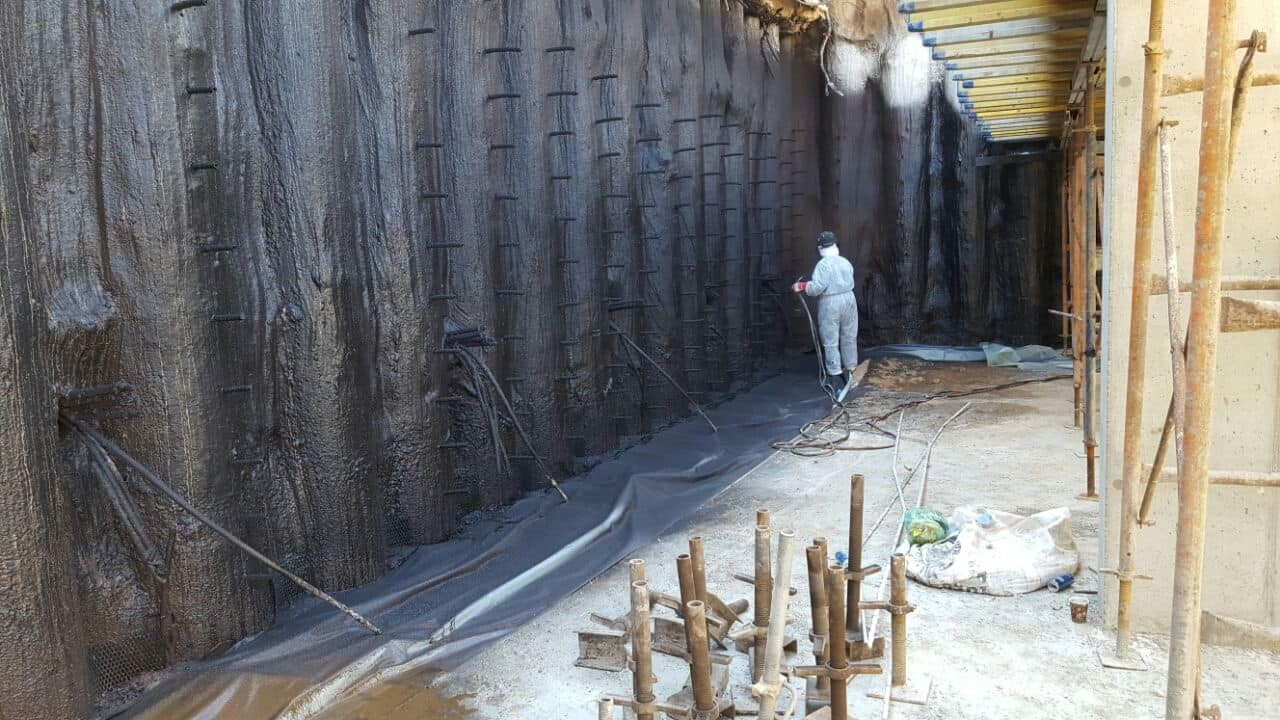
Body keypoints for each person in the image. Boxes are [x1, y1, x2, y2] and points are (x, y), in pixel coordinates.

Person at [792, 231, 859, 383]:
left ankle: (835, 372)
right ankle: (851, 368)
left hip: (831, 301)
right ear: (835, 245)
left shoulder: (823, 265)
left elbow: (817, 288)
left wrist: (803, 286)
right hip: (849, 298)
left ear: (820, 248)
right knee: (849, 336)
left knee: (830, 338)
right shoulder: (845, 262)